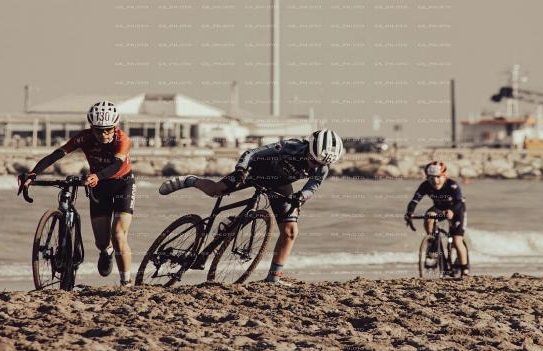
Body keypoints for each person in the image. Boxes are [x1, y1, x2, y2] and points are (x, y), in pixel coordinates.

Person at [158, 129, 345, 285]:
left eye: (320, 164)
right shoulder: (291, 146)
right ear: (309, 149)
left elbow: (313, 185)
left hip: (279, 184)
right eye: (313, 161)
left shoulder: (322, 166)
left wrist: (300, 198)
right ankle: (191, 181)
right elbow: (251, 153)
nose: (315, 165)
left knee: (290, 231)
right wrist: (240, 170)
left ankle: (273, 277)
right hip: (254, 171)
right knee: (217, 190)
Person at [19, 101, 136, 286]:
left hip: (122, 184)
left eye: (108, 130)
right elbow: (56, 154)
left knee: (118, 234)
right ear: (91, 127)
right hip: (98, 186)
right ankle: (107, 252)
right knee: (102, 242)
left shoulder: (123, 140)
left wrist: (98, 175)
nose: (103, 134)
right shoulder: (85, 137)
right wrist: (33, 173)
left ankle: (126, 283)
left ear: (115, 126)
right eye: (98, 130)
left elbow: (117, 165)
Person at [404, 161, 469, 276]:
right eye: (431, 177)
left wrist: (451, 211)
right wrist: (409, 213)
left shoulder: (451, 185)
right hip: (439, 208)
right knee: (429, 217)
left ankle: (465, 270)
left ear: (444, 176)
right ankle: (432, 243)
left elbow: (459, 202)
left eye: (438, 177)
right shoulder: (425, 185)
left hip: (456, 210)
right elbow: (415, 200)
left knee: (456, 240)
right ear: (427, 177)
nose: (435, 180)